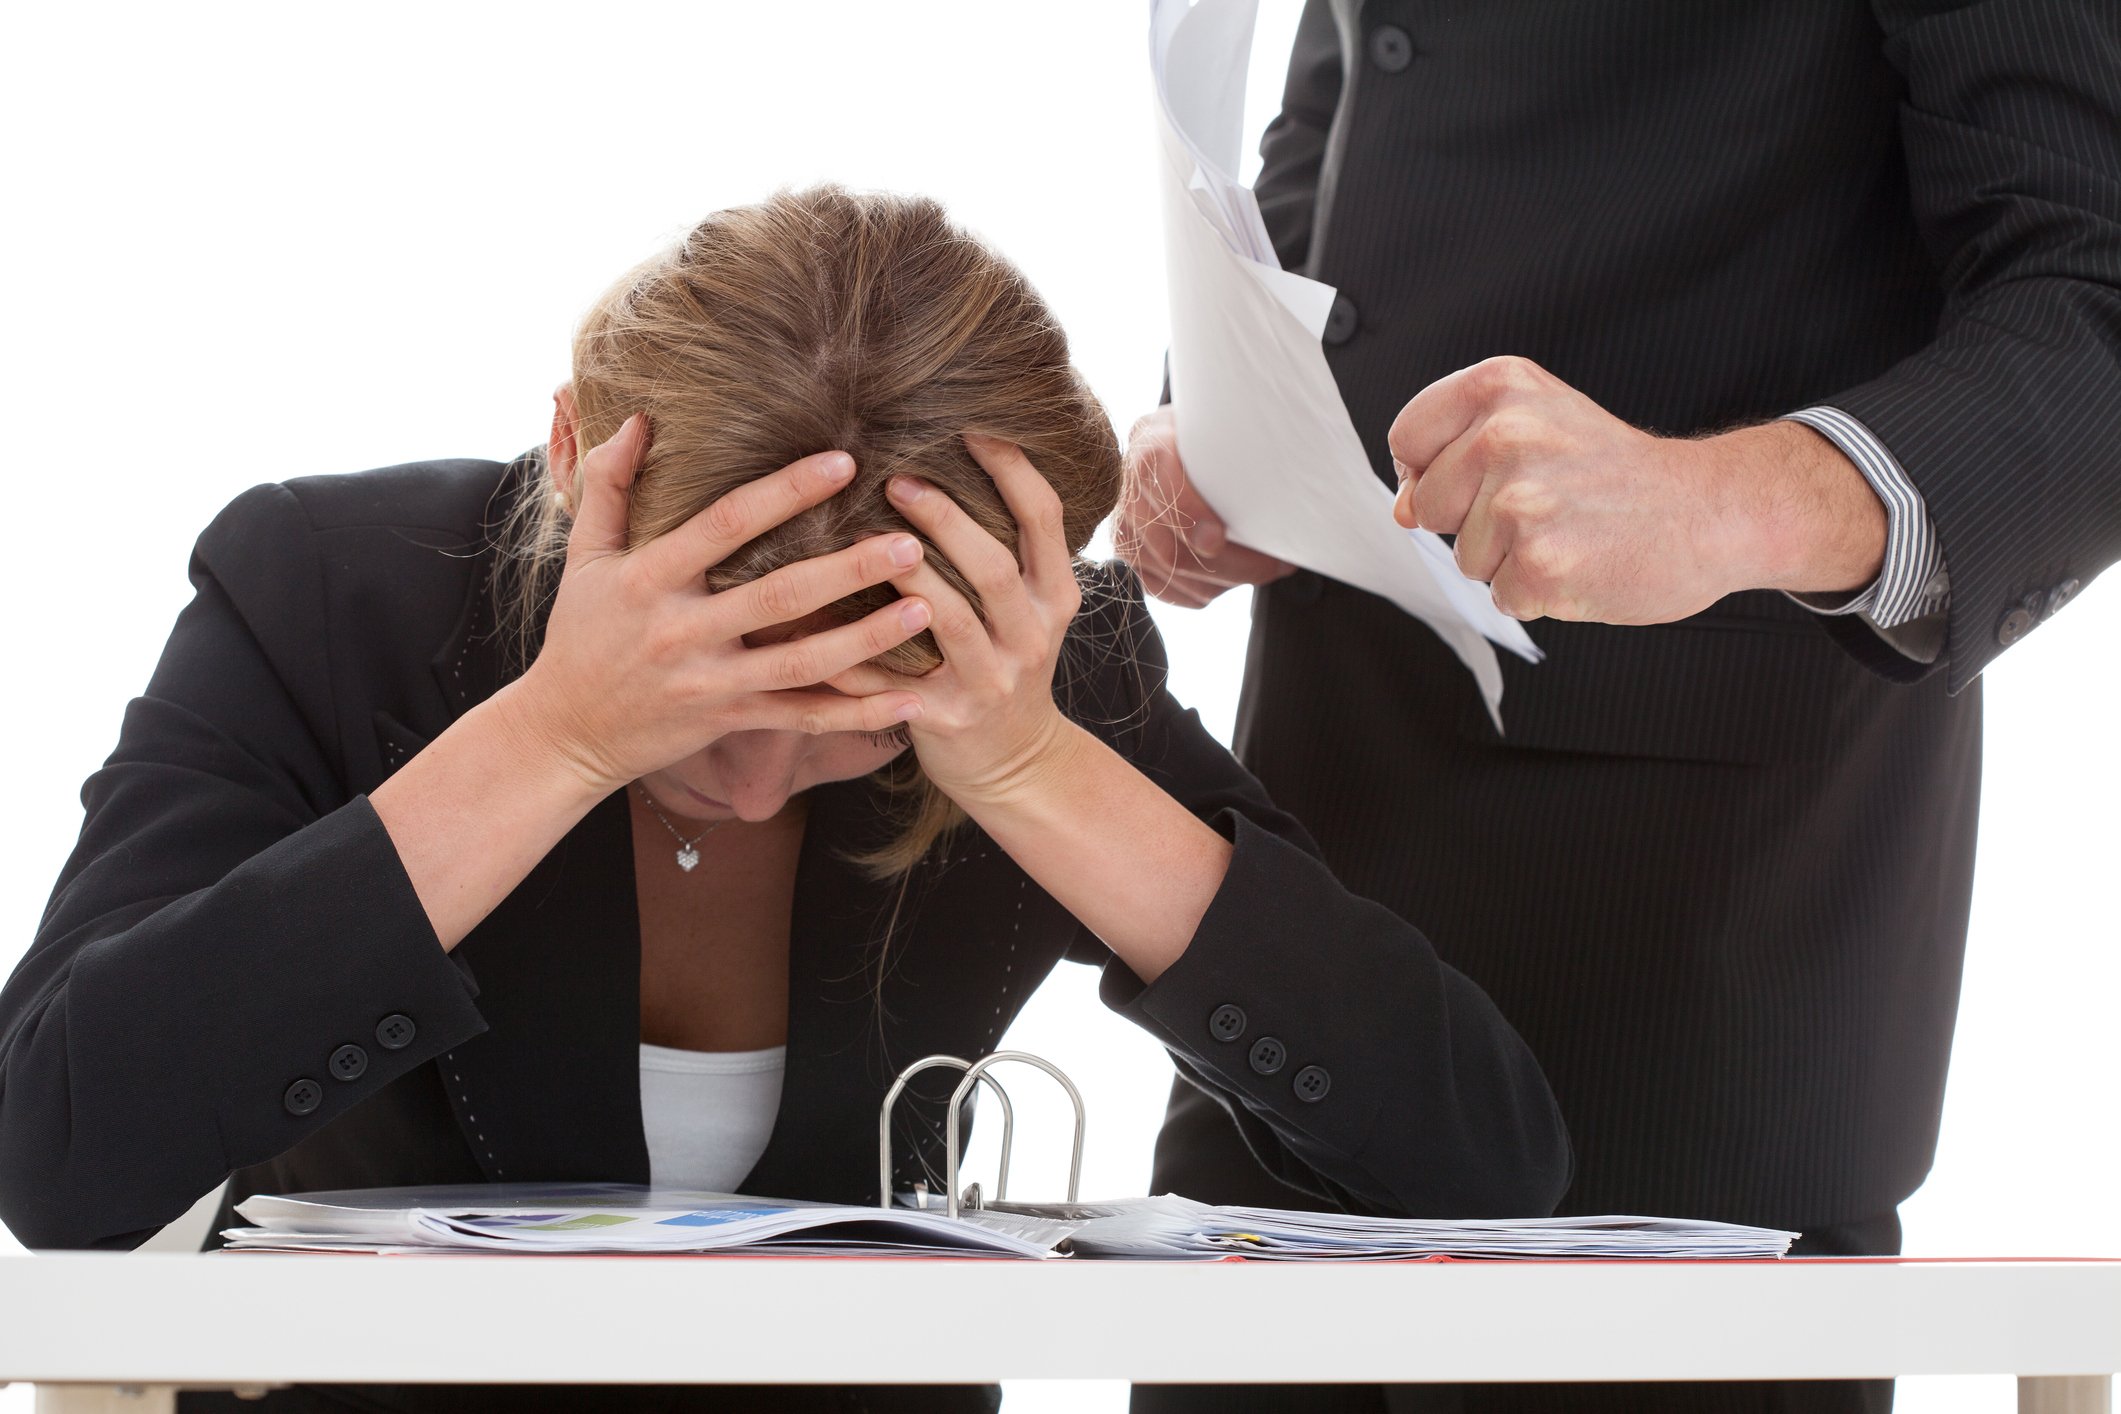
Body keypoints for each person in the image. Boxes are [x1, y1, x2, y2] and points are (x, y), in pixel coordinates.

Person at [0, 186, 1568, 1413]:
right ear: (572, 461)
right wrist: (555, 738)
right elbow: (62, 1152)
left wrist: (1025, 767)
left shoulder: (1026, 660)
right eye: (709, 693)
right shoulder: (325, 594)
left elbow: (1481, 1157)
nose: (753, 779)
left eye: (844, 725)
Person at [1123, 4, 2121, 1413]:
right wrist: (1230, 417)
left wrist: (1717, 502)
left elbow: (2096, 294)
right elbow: (1357, 109)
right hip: (1284, 941)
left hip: (1680, 1000)